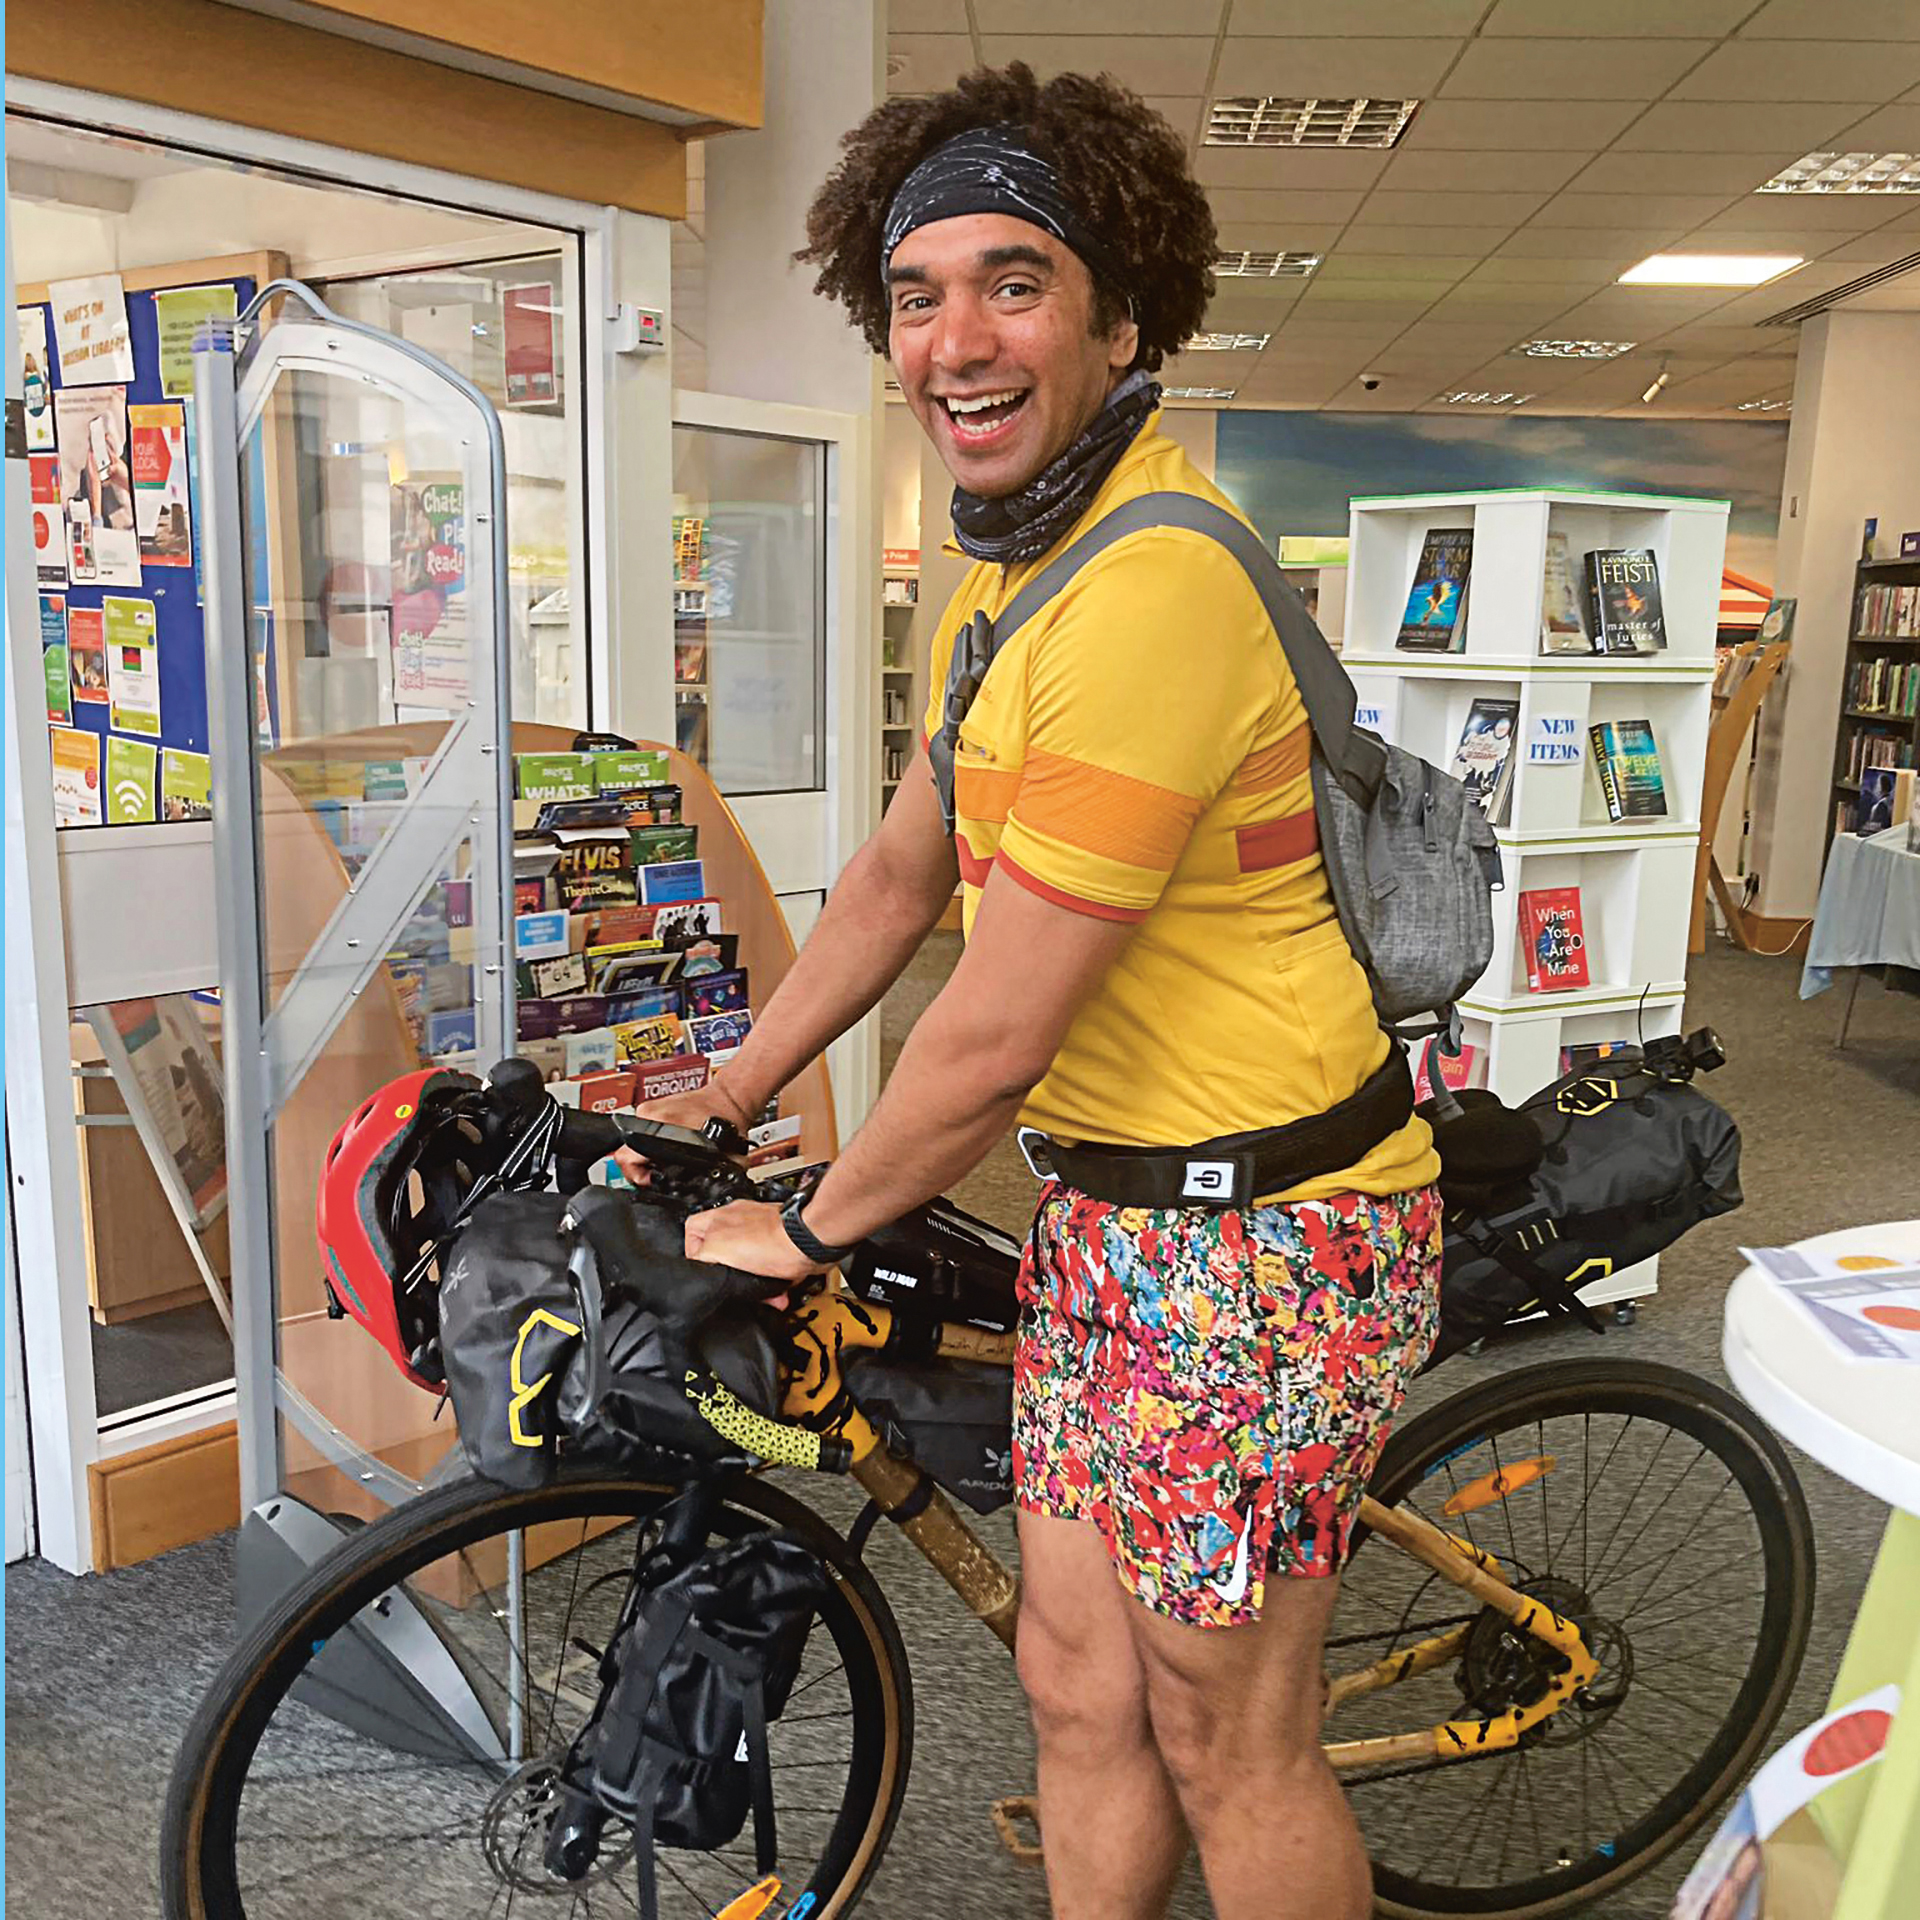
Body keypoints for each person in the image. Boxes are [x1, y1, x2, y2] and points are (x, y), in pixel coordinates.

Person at [616, 64, 1443, 1920]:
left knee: (1230, 1736)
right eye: (919, 295)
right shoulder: (1014, 586)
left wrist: (805, 1226)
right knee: (1080, 1691)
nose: (956, 339)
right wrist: (724, 1090)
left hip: (1272, 1233)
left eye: (1015, 282)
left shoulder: (1149, 590)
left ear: (1119, 315)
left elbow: (992, 1035)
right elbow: (902, 879)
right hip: (1115, 1215)